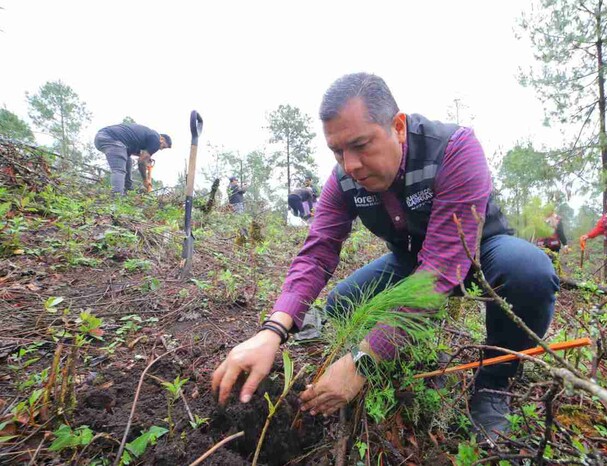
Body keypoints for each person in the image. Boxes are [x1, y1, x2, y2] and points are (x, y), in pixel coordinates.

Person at [211, 73, 559, 440]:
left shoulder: (453, 149)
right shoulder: (343, 179)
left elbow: (440, 270)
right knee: (344, 301)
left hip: (478, 257)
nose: (351, 165)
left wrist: (363, 361)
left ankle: (493, 383)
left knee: (528, 271)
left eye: (361, 145)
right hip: (409, 263)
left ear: (398, 126)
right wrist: (273, 331)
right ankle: (402, 344)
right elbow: (318, 251)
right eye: (337, 151)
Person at [94, 123, 171, 195]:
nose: (160, 149)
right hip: (110, 138)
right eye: (163, 146)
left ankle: (128, 191)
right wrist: (145, 180)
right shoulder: (156, 139)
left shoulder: (147, 136)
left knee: (128, 160)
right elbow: (141, 161)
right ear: (162, 139)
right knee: (119, 170)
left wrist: (146, 158)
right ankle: (116, 199)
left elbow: (139, 155)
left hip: (103, 137)